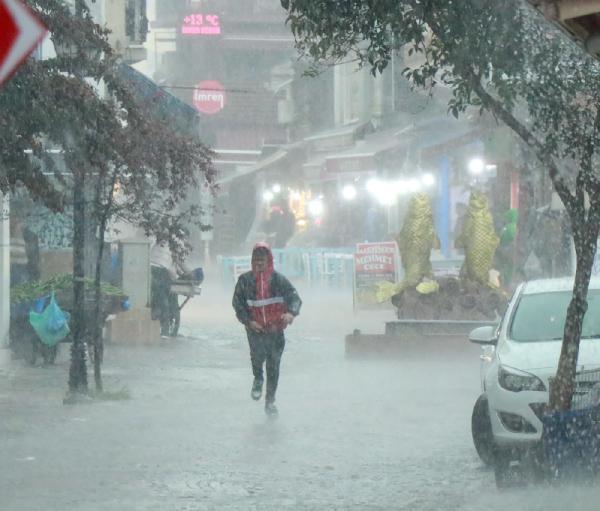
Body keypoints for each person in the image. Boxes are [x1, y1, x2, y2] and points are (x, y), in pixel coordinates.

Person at [232, 242, 302, 416]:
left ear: (269, 261)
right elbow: (237, 304)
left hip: (275, 331)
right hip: (255, 330)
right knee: (257, 358)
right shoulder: (245, 281)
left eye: (262, 260)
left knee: (274, 366)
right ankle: (257, 378)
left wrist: (291, 314)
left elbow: (295, 298)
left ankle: (270, 401)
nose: (259, 264)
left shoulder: (279, 280)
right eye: (256, 260)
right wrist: (248, 322)